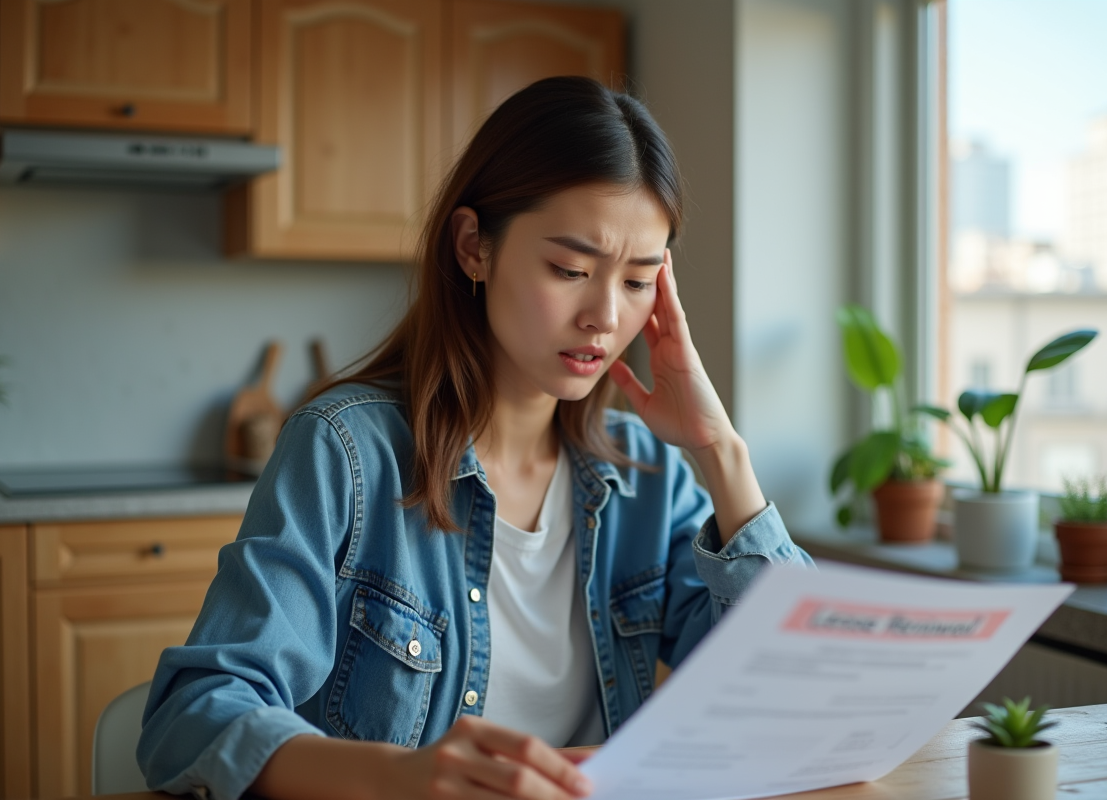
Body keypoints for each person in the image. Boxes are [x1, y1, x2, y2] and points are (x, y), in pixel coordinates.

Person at [138, 76, 813, 800]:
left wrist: (721, 451)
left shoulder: (651, 475)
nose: (604, 317)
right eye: (572, 270)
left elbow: (799, 701)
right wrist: (404, 778)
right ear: (473, 248)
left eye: (639, 281)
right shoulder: (346, 454)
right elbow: (194, 715)